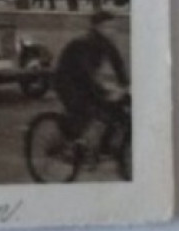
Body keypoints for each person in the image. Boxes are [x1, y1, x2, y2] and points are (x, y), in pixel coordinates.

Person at [53, 9, 129, 141]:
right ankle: (72, 141)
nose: (113, 31)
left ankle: (104, 146)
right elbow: (85, 71)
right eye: (108, 27)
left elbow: (118, 64)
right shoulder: (84, 42)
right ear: (98, 27)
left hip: (85, 81)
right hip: (68, 82)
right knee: (85, 110)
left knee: (118, 106)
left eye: (114, 27)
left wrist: (126, 86)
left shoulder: (107, 43)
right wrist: (103, 90)